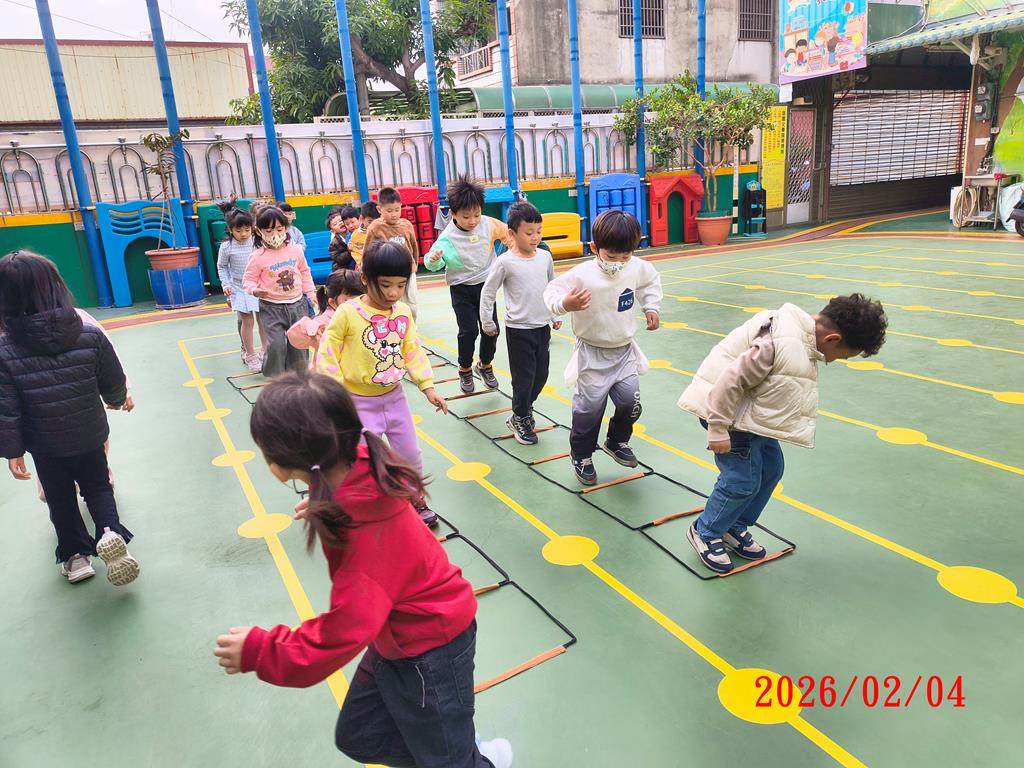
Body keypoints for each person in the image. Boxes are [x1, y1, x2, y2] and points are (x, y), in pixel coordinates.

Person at [213, 371, 512, 768]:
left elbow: (339, 634)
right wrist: (327, 503)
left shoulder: (366, 544)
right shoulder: (357, 456)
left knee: (446, 761)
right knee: (361, 734)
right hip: (400, 638)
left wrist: (259, 650)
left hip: (430, 650)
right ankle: (460, 751)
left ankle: (471, 759)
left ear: (278, 467)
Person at [678, 294, 887, 573]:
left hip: (750, 418)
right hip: (727, 418)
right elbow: (729, 381)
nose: (836, 361)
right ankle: (706, 531)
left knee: (771, 469)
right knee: (741, 481)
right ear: (832, 339)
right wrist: (717, 428)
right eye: (843, 356)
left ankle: (733, 526)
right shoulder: (778, 343)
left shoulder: (801, 340)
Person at [0, 250, 139, 586]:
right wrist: (118, 399)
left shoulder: (5, 350)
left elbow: (7, 407)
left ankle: (76, 557)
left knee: (60, 498)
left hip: (46, 444)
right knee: (98, 486)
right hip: (90, 432)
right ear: (56, 286)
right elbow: (111, 376)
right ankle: (110, 532)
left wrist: (13, 451)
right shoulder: (87, 331)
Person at [316, 240, 448, 527]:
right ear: (365, 278)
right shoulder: (348, 313)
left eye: (401, 285)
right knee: (362, 460)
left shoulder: (402, 313)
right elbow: (328, 350)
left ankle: (413, 497)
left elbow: (412, 349)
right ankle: (362, 504)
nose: (393, 293)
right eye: (385, 285)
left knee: (410, 453)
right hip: (357, 403)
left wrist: (428, 386)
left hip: (394, 398)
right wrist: (333, 392)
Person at [543, 210, 662, 487]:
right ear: (595, 248)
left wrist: (651, 307)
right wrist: (565, 304)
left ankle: (616, 440)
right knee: (588, 411)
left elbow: (650, 282)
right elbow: (551, 291)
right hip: (592, 354)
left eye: (625, 256)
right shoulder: (582, 274)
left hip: (623, 351)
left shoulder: (637, 267)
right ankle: (581, 455)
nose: (618, 263)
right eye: (611, 256)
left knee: (631, 404)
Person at [479, 202, 559, 444]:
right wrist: (487, 322)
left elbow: (552, 287)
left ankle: (522, 410)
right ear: (512, 234)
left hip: (542, 328)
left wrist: (555, 314)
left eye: (539, 232)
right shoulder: (505, 262)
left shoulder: (545, 257)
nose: (535, 237)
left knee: (541, 375)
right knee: (523, 379)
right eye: (529, 232)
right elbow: (488, 292)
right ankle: (521, 417)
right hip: (519, 330)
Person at [425, 176, 509, 394]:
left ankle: (485, 365)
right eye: (466, 216)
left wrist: (516, 250)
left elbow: (508, 234)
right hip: (461, 288)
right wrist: (434, 260)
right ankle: (464, 369)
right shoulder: (447, 237)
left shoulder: (488, 224)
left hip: (486, 286)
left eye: (476, 214)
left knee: (491, 329)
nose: (472, 221)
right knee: (468, 331)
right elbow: (432, 262)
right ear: (453, 213)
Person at [242, 205, 317, 376]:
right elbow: (248, 280)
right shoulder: (257, 256)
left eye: (279, 229)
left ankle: (298, 375)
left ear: (286, 228)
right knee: (276, 345)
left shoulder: (295, 250)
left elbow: (304, 272)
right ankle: (275, 375)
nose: (274, 234)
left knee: (298, 343)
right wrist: (254, 290)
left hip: (297, 304)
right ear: (259, 232)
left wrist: (311, 293)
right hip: (271, 307)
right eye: (268, 231)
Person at [216, 202, 267, 372]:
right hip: (239, 287)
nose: (243, 234)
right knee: (247, 320)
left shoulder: (258, 242)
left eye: (247, 229)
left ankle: (265, 351)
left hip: (258, 285)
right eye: (238, 230)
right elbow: (222, 267)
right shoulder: (226, 247)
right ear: (230, 230)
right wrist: (226, 284)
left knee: (262, 319)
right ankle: (250, 354)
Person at [287, 268, 363, 369]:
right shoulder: (326, 321)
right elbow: (294, 336)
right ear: (333, 303)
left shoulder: (364, 316)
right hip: (326, 374)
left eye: (360, 299)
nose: (356, 305)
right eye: (349, 301)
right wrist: (311, 327)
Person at [364, 187, 421, 319]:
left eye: (397, 210)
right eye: (389, 211)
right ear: (379, 209)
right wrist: (366, 271)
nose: (394, 214)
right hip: (387, 272)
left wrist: (414, 266)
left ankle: (411, 324)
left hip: (408, 271)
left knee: (411, 302)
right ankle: (392, 324)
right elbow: (367, 251)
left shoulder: (407, 225)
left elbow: (414, 247)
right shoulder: (375, 227)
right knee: (391, 301)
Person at [348, 200, 379, 267]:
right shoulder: (355, 235)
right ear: (362, 219)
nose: (373, 225)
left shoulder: (381, 233)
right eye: (370, 222)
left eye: (376, 222)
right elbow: (355, 253)